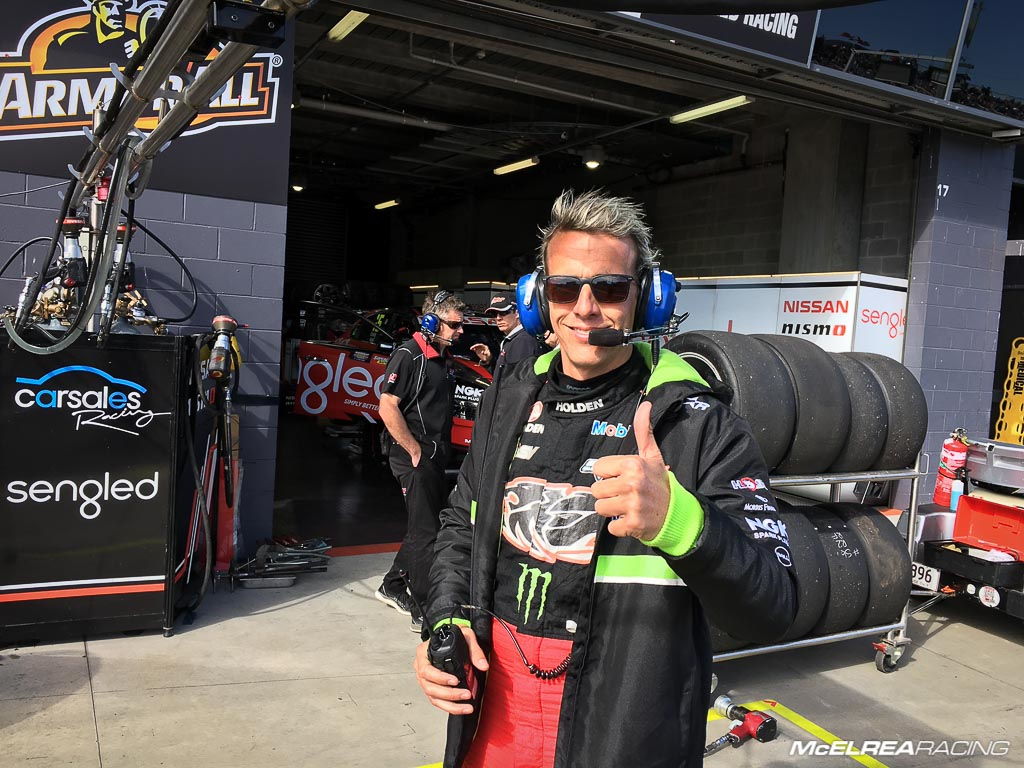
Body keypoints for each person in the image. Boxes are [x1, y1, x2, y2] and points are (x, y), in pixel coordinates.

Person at [414, 190, 797, 767]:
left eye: (610, 288)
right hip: (492, 725)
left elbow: (774, 604)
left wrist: (682, 524)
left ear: (646, 299)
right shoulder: (508, 397)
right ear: (538, 300)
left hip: (620, 730)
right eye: (566, 288)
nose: (585, 308)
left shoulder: (700, 425)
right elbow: (458, 529)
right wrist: (444, 618)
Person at [376, 291, 464, 633]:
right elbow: (387, 406)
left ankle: (392, 584)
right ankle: (424, 604)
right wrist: (413, 450)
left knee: (424, 525)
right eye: (454, 325)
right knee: (427, 531)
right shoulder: (408, 355)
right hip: (413, 456)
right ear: (431, 321)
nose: (459, 332)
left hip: (434, 454)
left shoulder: (442, 357)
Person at [471, 293, 547, 386]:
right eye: (494, 314)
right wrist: (489, 360)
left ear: (517, 312)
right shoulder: (514, 339)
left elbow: (518, 386)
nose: (498, 318)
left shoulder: (523, 341)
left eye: (503, 312)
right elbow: (503, 377)